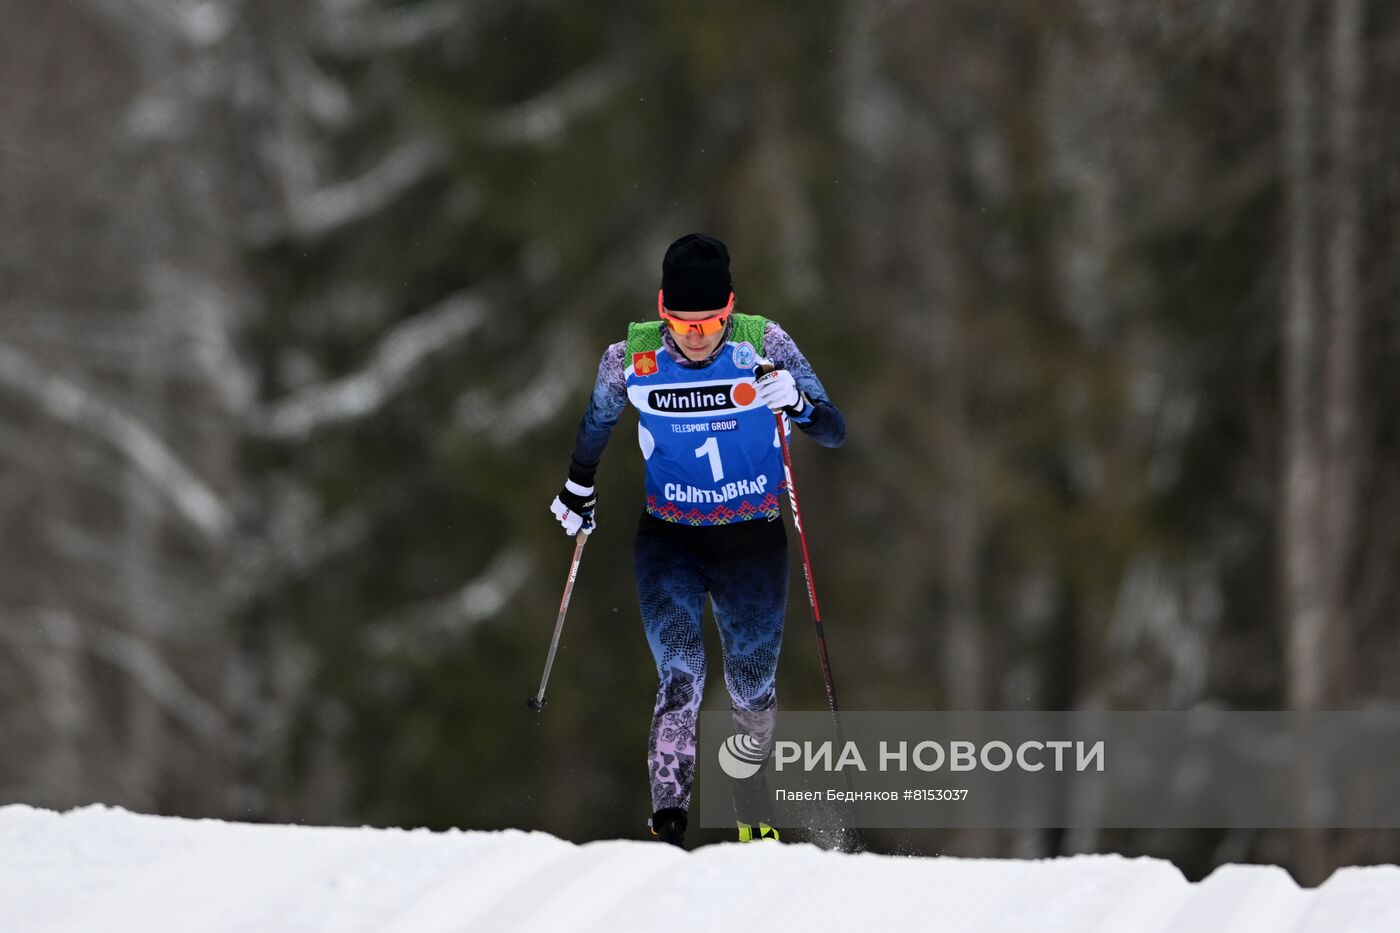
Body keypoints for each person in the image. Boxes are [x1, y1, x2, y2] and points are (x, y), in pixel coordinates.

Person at [549, 233, 846, 847]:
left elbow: (835, 430)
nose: (695, 337)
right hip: (669, 540)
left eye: (710, 322)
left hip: (752, 540)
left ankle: (752, 809)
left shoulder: (763, 344)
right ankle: (668, 825)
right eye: (680, 324)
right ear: (662, 310)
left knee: (750, 690)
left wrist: (797, 403)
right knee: (681, 675)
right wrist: (578, 485)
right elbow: (597, 421)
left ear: (729, 309)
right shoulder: (630, 359)